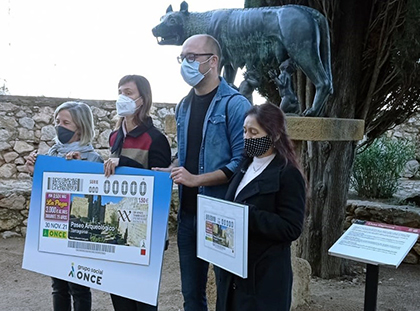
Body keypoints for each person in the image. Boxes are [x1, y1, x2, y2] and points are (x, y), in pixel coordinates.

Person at [154, 34, 251, 311]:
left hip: (221, 216)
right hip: (187, 216)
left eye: (191, 57)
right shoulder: (183, 106)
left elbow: (240, 164)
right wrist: (170, 169)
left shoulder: (236, 105)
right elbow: (187, 155)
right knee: (192, 295)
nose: (185, 62)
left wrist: (197, 180)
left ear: (213, 61)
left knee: (226, 293)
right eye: (182, 57)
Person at [215, 103, 306, 311]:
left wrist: (248, 216)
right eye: (245, 131)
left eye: (254, 132)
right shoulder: (244, 165)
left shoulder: (287, 174)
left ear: (273, 135)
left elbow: (291, 227)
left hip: (264, 278)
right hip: (233, 273)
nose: (247, 137)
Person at [25, 101, 103, 311]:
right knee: (58, 285)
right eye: (58, 121)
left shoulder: (93, 158)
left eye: (66, 122)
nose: (60, 126)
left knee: (79, 287)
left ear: (81, 126)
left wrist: (80, 168)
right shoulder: (52, 154)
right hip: (55, 229)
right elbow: (46, 190)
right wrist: (34, 171)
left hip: (79, 230)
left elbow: (96, 196)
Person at [104, 74, 171, 311]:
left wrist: (121, 162)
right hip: (116, 230)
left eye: (128, 92)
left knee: (142, 302)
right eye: (119, 91)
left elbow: (160, 184)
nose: (122, 97)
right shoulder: (114, 136)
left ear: (142, 99)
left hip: (145, 233)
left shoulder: (156, 139)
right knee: (120, 300)